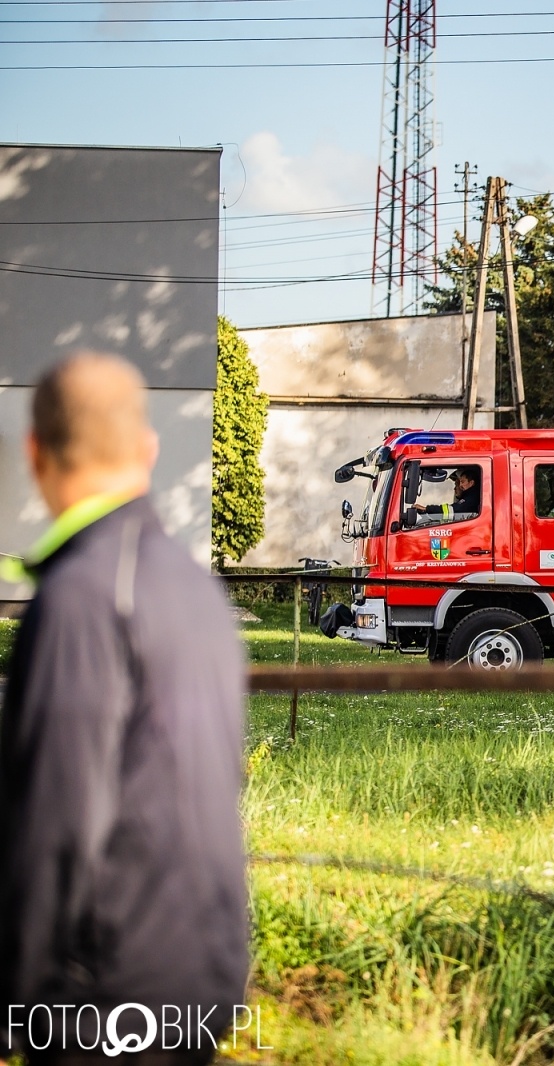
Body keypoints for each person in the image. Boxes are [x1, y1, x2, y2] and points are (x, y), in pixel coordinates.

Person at [1, 353, 248, 1064]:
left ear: (34, 453)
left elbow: (58, 819)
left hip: (105, 994)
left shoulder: (81, 598)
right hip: (201, 974)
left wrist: (14, 1000)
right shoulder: (199, 594)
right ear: (147, 450)